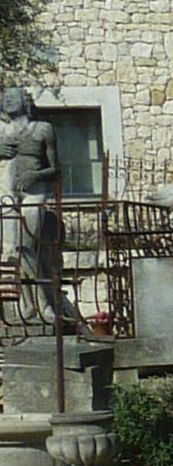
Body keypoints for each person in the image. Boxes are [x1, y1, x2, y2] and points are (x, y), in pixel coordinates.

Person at [0, 87, 61, 322]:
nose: (6, 101)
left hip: (34, 194)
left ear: (25, 102)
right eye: (4, 98)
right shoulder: (3, 130)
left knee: (27, 246)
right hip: (6, 196)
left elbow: (56, 169)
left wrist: (36, 176)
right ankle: (33, 305)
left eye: (12, 97)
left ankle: (42, 304)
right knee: (13, 249)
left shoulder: (43, 129)